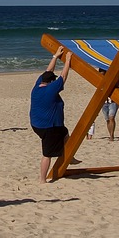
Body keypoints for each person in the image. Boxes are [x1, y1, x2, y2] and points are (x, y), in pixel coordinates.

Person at [30, 48, 73, 183]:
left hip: (37, 123)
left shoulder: (37, 85)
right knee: (47, 154)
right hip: (48, 126)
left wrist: (55, 56)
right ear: (50, 82)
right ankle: (42, 180)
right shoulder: (51, 89)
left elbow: (49, 71)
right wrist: (68, 60)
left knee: (65, 133)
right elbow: (63, 77)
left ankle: (71, 157)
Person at [102, 76, 119, 141]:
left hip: (113, 101)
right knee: (107, 120)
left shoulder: (116, 79)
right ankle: (110, 134)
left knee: (111, 118)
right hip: (104, 102)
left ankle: (112, 135)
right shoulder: (100, 79)